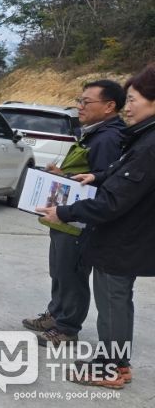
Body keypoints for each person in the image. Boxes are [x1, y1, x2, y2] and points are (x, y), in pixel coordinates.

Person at [38, 64, 155, 389]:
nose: (127, 108)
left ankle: (113, 369)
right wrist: (97, 176)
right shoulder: (143, 139)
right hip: (122, 239)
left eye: (133, 100)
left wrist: (64, 212)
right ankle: (113, 363)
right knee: (114, 303)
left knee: (114, 304)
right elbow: (122, 176)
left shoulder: (149, 145)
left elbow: (113, 201)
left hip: (123, 242)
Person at [22, 81, 125, 348]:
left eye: (86, 102)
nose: (80, 107)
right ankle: (55, 315)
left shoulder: (109, 138)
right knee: (59, 270)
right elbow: (87, 175)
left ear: (109, 106)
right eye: (79, 101)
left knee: (72, 274)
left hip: (80, 221)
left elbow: (103, 185)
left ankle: (67, 328)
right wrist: (62, 176)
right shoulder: (94, 133)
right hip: (65, 216)